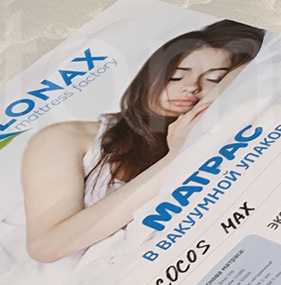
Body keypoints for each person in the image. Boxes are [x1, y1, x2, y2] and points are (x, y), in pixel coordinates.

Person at [21, 20, 264, 263]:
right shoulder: (67, 137)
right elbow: (46, 246)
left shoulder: (212, 134)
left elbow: (260, 61)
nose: (191, 87)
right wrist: (176, 158)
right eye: (176, 76)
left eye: (214, 79)